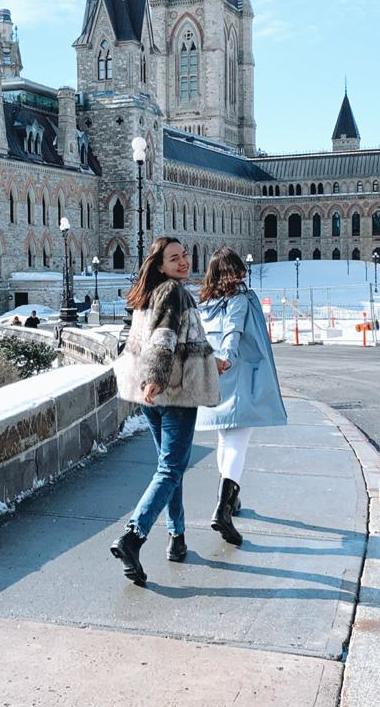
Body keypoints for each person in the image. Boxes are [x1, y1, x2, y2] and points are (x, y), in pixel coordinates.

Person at [111, 237, 221, 585]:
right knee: (171, 468)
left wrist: (209, 359)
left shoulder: (151, 293)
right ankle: (134, 535)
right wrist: (156, 379)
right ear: (160, 266)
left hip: (153, 395)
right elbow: (162, 340)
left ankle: (177, 538)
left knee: (168, 470)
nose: (183, 262)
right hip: (171, 392)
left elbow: (171, 339)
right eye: (174, 258)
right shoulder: (173, 292)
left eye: (185, 255)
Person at [196, 247, 287, 546]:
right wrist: (227, 358)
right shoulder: (238, 300)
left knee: (225, 438)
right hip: (233, 373)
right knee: (238, 441)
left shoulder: (205, 303)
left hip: (213, 374)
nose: (244, 273)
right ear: (233, 272)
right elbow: (232, 332)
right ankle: (223, 508)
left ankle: (230, 501)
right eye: (239, 268)